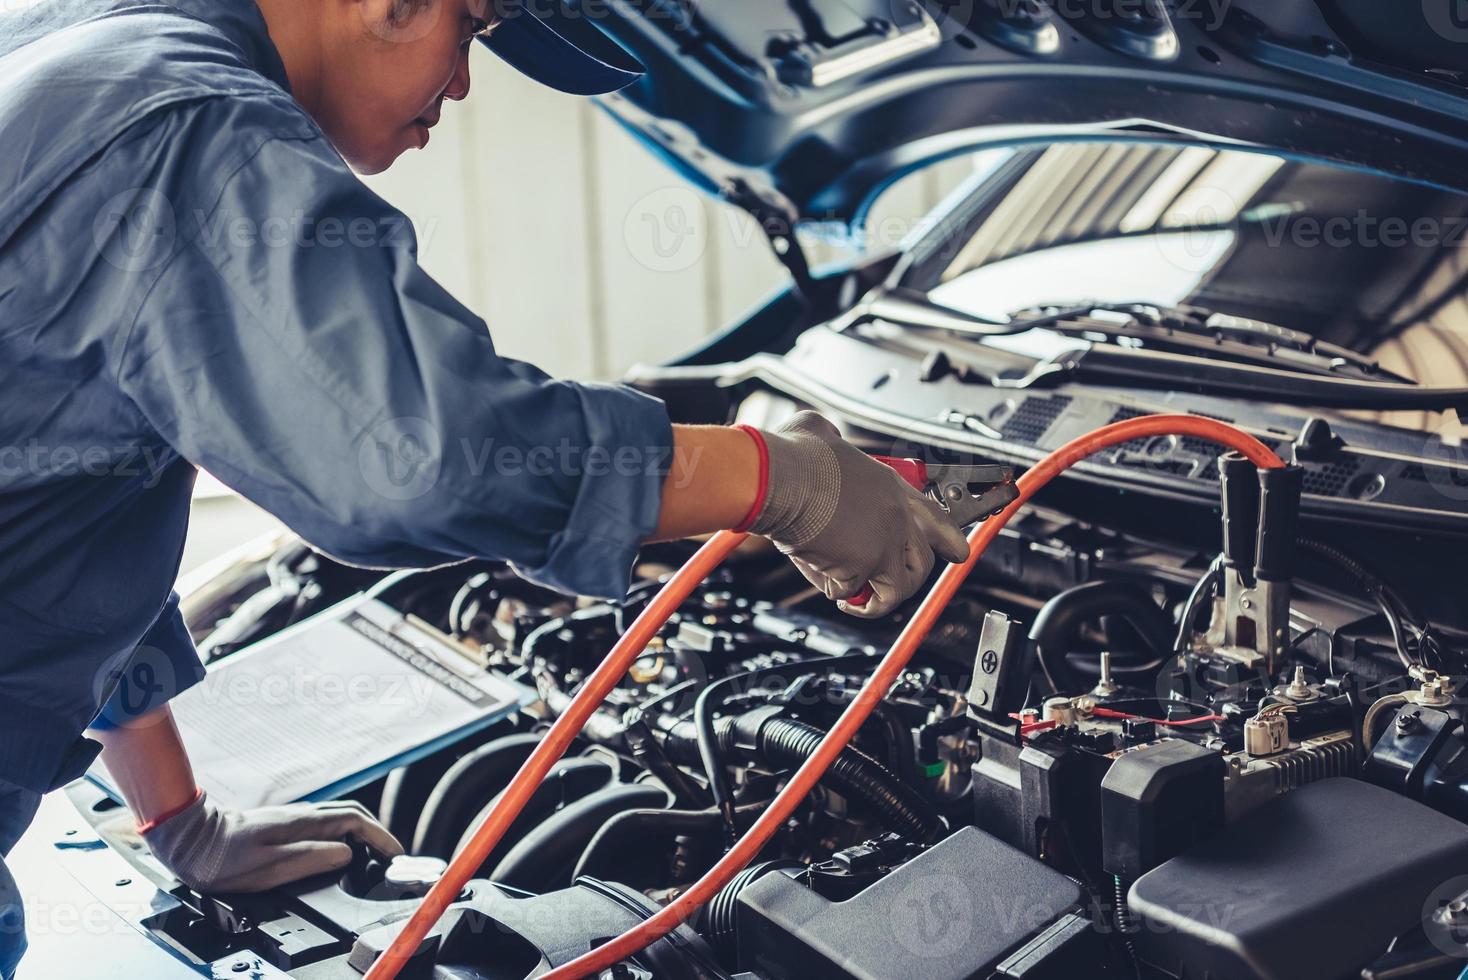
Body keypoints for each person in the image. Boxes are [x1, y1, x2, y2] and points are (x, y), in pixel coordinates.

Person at [0, 0, 970, 973]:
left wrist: (176, 813)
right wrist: (780, 477)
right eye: (470, 31)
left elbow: (64, 517)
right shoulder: (181, 122)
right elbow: (415, 456)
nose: (461, 83)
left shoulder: (76, 49)